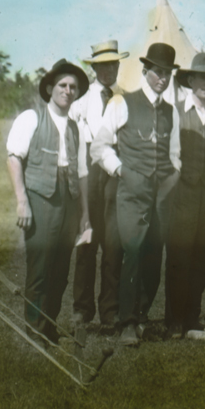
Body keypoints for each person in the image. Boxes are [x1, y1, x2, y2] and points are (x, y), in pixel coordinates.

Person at [91, 43, 182, 347]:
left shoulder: (172, 112)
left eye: (167, 73)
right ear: (145, 71)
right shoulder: (122, 102)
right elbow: (99, 146)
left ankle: (141, 316)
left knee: (154, 256)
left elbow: (175, 154)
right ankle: (126, 322)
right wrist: (121, 171)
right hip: (131, 192)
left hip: (161, 196)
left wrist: (172, 178)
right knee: (132, 251)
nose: (162, 78)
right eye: (157, 72)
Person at [6, 59, 90, 343]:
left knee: (61, 270)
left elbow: (81, 174)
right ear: (51, 88)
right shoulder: (31, 118)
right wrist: (22, 201)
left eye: (73, 87)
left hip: (69, 201)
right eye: (63, 85)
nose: (68, 91)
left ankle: (49, 325)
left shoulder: (76, 128)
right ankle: (34, 329)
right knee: (40, 268)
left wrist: (84, 215)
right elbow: (14, 159)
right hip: (41, 201)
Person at [165, 53, 205, 338]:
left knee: (201, 259)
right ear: (190, 80)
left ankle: (193, 316)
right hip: (182, 195)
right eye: (202, 77)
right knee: (180, 256)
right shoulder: (176, 111)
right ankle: (174, 320)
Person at [68, 40, 126, 336]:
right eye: (103, 65)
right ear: (94, 68)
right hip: (88, 172)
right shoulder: (79, 103)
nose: (108, 70)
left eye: (113, 64)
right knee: (87, 241)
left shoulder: (125, 99)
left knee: (114, 245)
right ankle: (81, 309)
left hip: (116, 173)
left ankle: (110, 310)